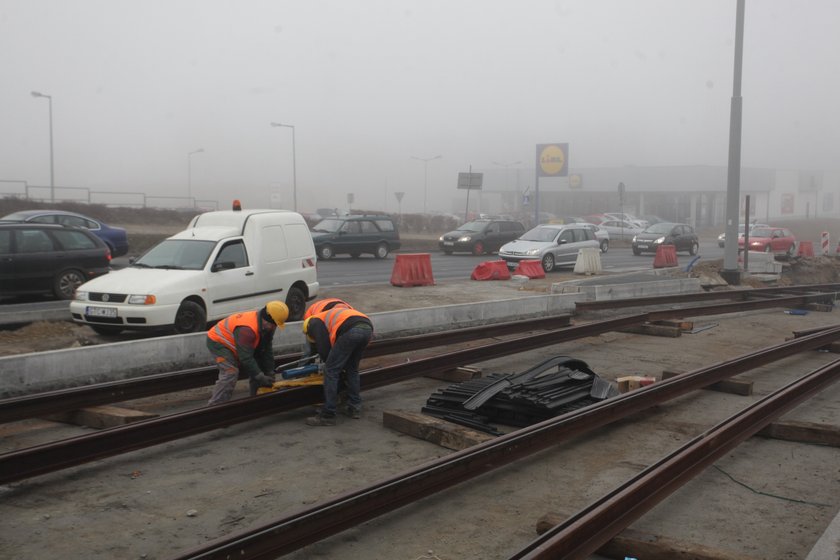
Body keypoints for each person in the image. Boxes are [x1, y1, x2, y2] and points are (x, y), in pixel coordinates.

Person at [206, 300, 288, 405]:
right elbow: (245, 358)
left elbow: (266, 350)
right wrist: (260, 376)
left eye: (276, 325)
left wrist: (270, 372)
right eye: (274, 324)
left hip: (240, 343)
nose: (274, 328)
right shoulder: (247, 330)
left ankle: (256, 401)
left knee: (257, 366)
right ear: (266, 319)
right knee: (230, 372)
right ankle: (215, 407)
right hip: (219, 342)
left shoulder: (268, 326)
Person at [302, 305, 373, 426]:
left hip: (351, 330)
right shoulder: (329, 317)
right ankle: (354, 408)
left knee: (330, 370)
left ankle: (328, 415)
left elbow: (324, 351)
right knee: (352, 369)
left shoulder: (314, 322)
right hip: (367, 327)